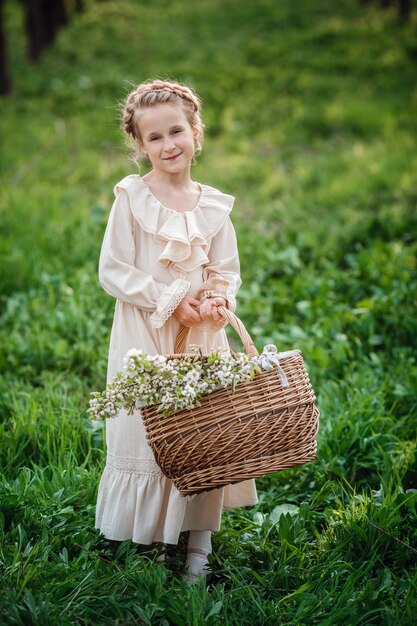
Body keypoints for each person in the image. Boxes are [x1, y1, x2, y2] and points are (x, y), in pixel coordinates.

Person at [94, 79, 258, 583]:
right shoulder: (132, 198)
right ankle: (157, 540)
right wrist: (168, 299)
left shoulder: (213, 206)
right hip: (147, 333)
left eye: (176, 131)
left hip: (202, 337)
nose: (169, 145)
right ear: (140, 146)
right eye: (155, 138)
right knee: (153, 433)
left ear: (195, 132)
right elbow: (113, 269)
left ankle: (198, 552)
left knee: (204, 434)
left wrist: (215, 297)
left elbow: (225, 268)